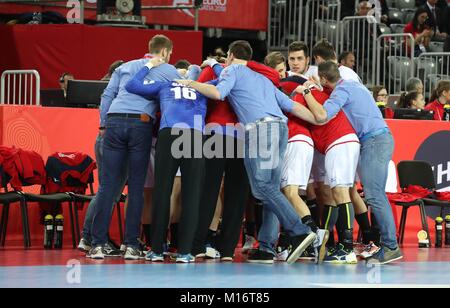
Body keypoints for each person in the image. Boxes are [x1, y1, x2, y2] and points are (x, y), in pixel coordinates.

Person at [176, 40, 329, 265]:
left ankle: (302, 231)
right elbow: (291, 107)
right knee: (270, 190)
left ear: (229, 56)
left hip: (260, 130)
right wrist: (319, 117)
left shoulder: (234, 69)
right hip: (280, 129)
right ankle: (282, 240)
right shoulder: (263, 80)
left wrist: (191, 82)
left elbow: (218, 93)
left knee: (261, 188)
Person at [299, 61, 403, 265]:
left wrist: (306, 92)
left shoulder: (341, 92)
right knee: (371, 194)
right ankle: (386, 244)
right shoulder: (354, 84)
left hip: (373, 141)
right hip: (377, 139)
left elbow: (321, 115)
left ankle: (391, 246)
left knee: (374, 195)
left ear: (323, 78)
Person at [87, 35, 180, 260]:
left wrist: (103, 122)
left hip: (114, 120)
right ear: (166, 52)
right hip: (141, 123)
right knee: (136, 187)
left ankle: (96, 244)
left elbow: (107, 94)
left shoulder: (126, 66)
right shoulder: (169, 70)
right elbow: (179, 95)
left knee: (108, 185)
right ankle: (131, 245)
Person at [125, 57, 209, 264]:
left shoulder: (165, 84)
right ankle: (185, 251)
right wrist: (211, 64)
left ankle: (156, 250)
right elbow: (223, 86)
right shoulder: (202, 87)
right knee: (191, 194)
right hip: (194, 135)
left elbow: (132, 85)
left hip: (169, 133)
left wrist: (149, 65)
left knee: (162, 191)